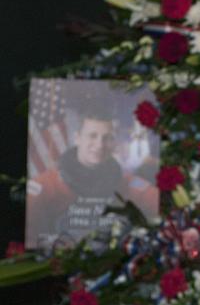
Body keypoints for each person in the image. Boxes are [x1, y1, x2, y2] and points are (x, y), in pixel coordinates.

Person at [26, 105, 157, 248]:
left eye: (107, 138)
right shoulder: (44, 188)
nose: (99, 145)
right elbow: (30, 245)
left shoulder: (135, 188)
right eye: (92, 136)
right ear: (77, 138)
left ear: (114, 143)